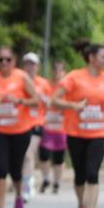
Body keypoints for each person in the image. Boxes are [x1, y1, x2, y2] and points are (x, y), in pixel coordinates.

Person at [50, 40, 104, 208]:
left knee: (92, 173)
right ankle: (81, 204)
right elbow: (54, 99)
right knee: (80, 175)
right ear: (92, 58)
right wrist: (73, 106)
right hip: (76, 132)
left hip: (99, 132)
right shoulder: (74, 77)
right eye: (103, 57)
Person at [0, 45, 40, 208]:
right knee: (1, 168)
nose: (4, 63)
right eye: (0, 59)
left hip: (20, 131)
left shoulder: (21, 77)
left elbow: (36, 101)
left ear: (14, 61)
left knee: (15, 169)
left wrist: (18, 100)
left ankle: (18, 194)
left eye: (8, 59)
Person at [20, 52, 51, 201]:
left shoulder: (43, 83)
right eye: (27, 63)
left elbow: (51, 102)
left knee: (28, 153)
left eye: (33, 64)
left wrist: (45, 100)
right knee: (22, 155)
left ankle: (28, 184)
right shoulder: (19, 81)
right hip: (20, 123)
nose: (30, 67)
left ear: (37, 66)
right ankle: (24, 180)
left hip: (37, 122)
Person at [38, 60, 68, 194]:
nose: (57, 73)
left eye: (60, 70)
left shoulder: (67, 88)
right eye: (55, 70)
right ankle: (45, 178)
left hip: (61, 128)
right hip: (48, 126)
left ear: (64, 72)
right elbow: (41, 100)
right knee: (44, 155)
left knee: (58, 157)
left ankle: (57, 182)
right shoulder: (47, 86)